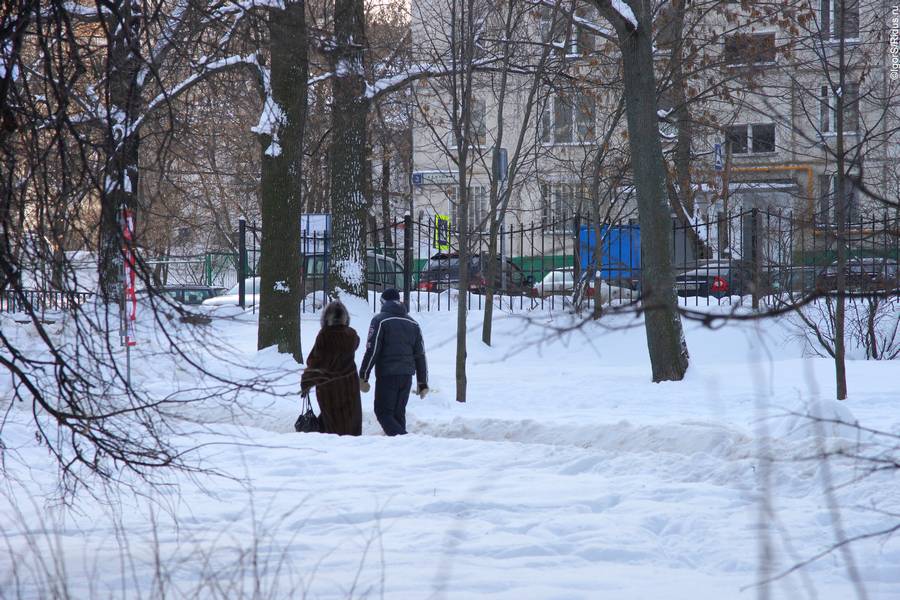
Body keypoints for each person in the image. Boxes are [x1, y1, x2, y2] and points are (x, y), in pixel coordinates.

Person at [359, 288, 428, 436]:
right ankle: (401, 450)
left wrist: (363, 375)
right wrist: (422, 382)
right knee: (398, 414)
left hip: (387, 375)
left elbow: (372, 350)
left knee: (383, 412)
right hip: (407, 376)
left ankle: (406, 440)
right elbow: (420, 355)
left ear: (383, 302)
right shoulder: (413, 323)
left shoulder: (380, 320)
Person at [300, 301, 362, 436]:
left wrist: (306, 381)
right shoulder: (352, 335)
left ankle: (333, 451)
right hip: (350, 385)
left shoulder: (325, 336)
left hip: (330, 388)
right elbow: (355, 344)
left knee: (332, 426)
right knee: (350, 422)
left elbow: (317, 362)